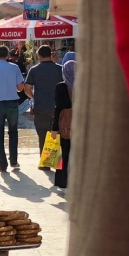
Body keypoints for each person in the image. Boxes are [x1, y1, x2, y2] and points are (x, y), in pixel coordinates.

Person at [24, 45, 63, 161]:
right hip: (57, 106)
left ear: (39, 56)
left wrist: (34, 97)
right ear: (51, 55)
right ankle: (55, 159)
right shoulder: (60, 69)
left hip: (41, 106)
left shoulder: (34, 70)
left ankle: (46, 161)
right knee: (56, 133)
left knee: (42, 134)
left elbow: (27, 89)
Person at [51, 53, 76, 190]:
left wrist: (54, 128)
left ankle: (64, 181)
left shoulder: (61, 87)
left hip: (64, 125)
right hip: (81, 125)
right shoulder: (84, 86)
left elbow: (58, 108)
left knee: (64, 153)